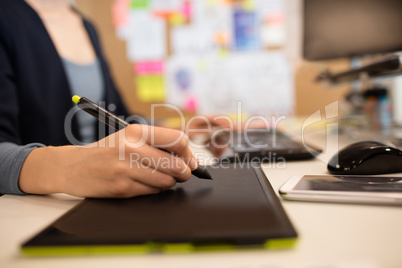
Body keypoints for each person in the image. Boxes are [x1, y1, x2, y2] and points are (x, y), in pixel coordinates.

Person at [0, 0, 199, 197]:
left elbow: (117, 118)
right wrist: (70, 168)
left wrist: (175, 129)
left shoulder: (86, 25)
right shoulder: (7, 16)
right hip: (40, 211)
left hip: (99, 202)